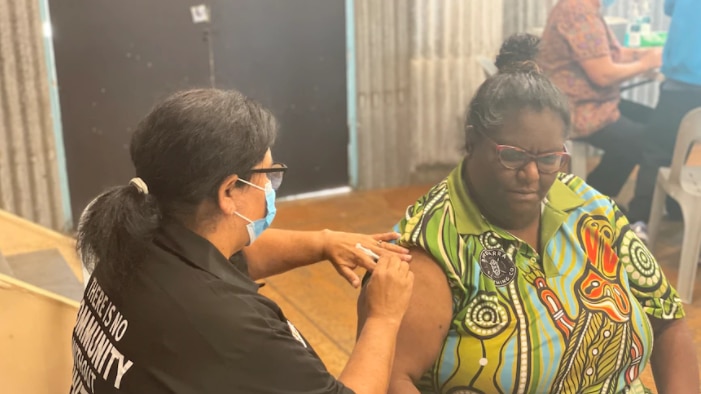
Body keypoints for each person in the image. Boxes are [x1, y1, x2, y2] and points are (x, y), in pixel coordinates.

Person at [358, 34, 699, 393]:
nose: (532, 175)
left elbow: (667, 322)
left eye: (549, 159)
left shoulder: (590, 207)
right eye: (513, 156)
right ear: (472, 141)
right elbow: (392, 378)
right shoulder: (433, 246)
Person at [70, 88, 415, 394]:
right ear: (228, 191)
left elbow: (233, 255)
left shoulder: (134, 239)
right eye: (268, 174)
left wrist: (323, 243)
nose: (271, 186)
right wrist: (383, 317)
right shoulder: (232, 327)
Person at [537, 0, 662, 198]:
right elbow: (603, 74)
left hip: (591, 103)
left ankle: (596, 196)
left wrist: (639, 54)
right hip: (578, 111)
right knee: (654, 146)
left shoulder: (584, 9)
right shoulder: (578, 11)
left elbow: (605, 54)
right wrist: (645, 64)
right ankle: (634, 215)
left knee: (656, 123)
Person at [625, 0, 701, 242]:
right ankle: (678, 210)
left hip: (682, 81)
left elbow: (669, 9)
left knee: (656, 153)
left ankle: (640, 221)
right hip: (684, 78)